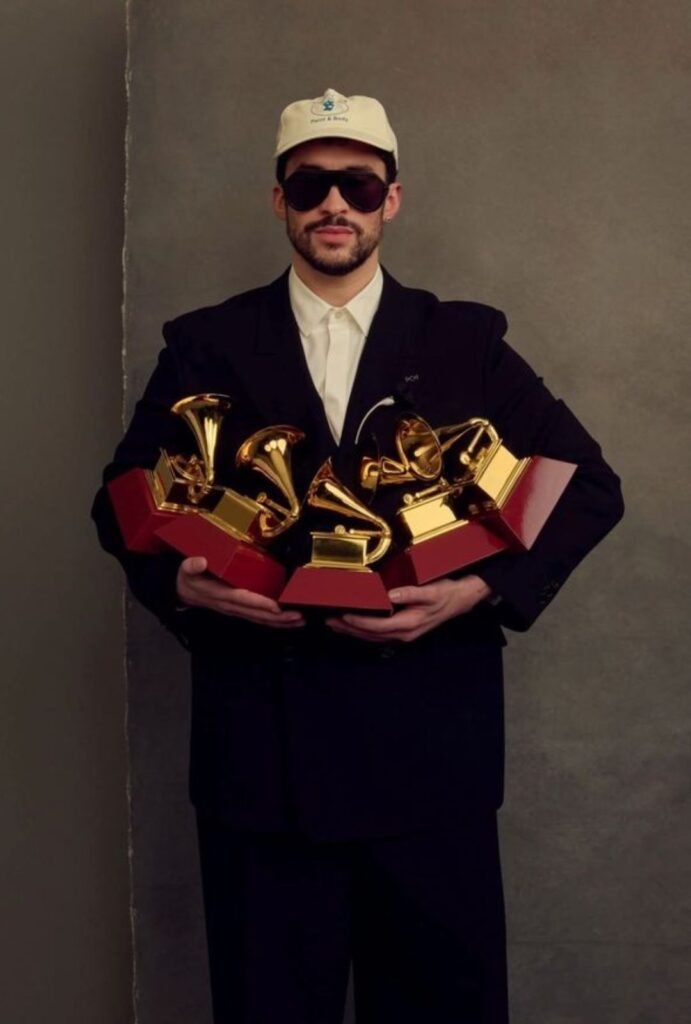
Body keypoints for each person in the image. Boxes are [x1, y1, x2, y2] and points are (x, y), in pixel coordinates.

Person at [92, 88, 624, 1024]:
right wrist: (180, 584)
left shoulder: (466, 340)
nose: (334, 203)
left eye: (358, 185)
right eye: (309, 185)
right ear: (279, 201)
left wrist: (474, 591)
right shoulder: (206, 344)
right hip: (261, 763)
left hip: (431, 764)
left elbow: (586, 486)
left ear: (391, 201)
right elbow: (121, 498)